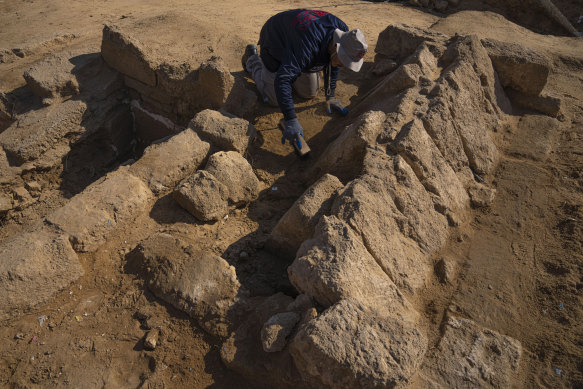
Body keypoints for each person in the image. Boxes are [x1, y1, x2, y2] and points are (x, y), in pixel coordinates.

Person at [242, 9, 368, 150]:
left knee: (310, 92)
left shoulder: (344, 35)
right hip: (276, 39)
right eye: (345, 61)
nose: (345, 66)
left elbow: (335, 63)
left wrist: (330, 95)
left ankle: (293, 66)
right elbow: (282, 80)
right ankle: (252, 60)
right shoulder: (308, 46)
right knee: (274, 99)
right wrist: (290, 119)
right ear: (336, 46)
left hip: (297, 44)